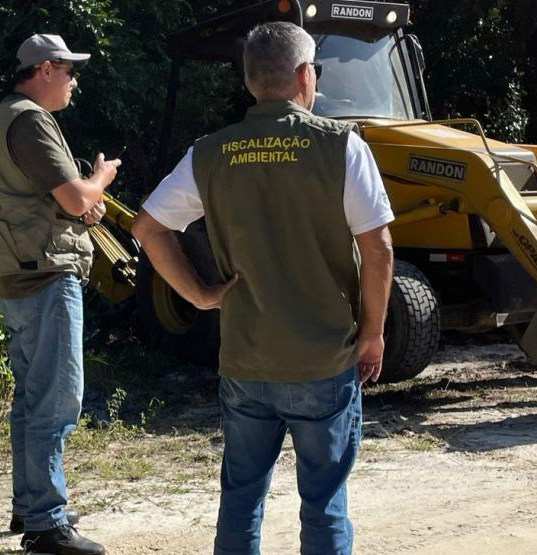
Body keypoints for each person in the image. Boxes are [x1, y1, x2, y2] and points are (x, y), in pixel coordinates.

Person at [132, 21, 394, 555]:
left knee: (241, 498)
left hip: (246, 363)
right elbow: (378, 249)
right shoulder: (342, 146)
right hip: (323, 361)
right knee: (323, 503)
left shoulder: (209, 153)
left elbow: (148, 229)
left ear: (250, 81)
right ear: (305, 75)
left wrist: (201, 296)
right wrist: (372, 334)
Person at [0, 33, 120, 555]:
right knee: (57, 399)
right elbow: (78, 195)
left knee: (33, 396)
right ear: (43, 70)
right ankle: (46, 524)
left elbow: (52, 201)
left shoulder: (3, 116)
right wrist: (99, 179)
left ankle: (31, 504)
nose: (74, 81)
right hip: (44, 274)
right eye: (69, 70)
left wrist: (82, 203)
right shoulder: (32, 120)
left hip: (17, 269)